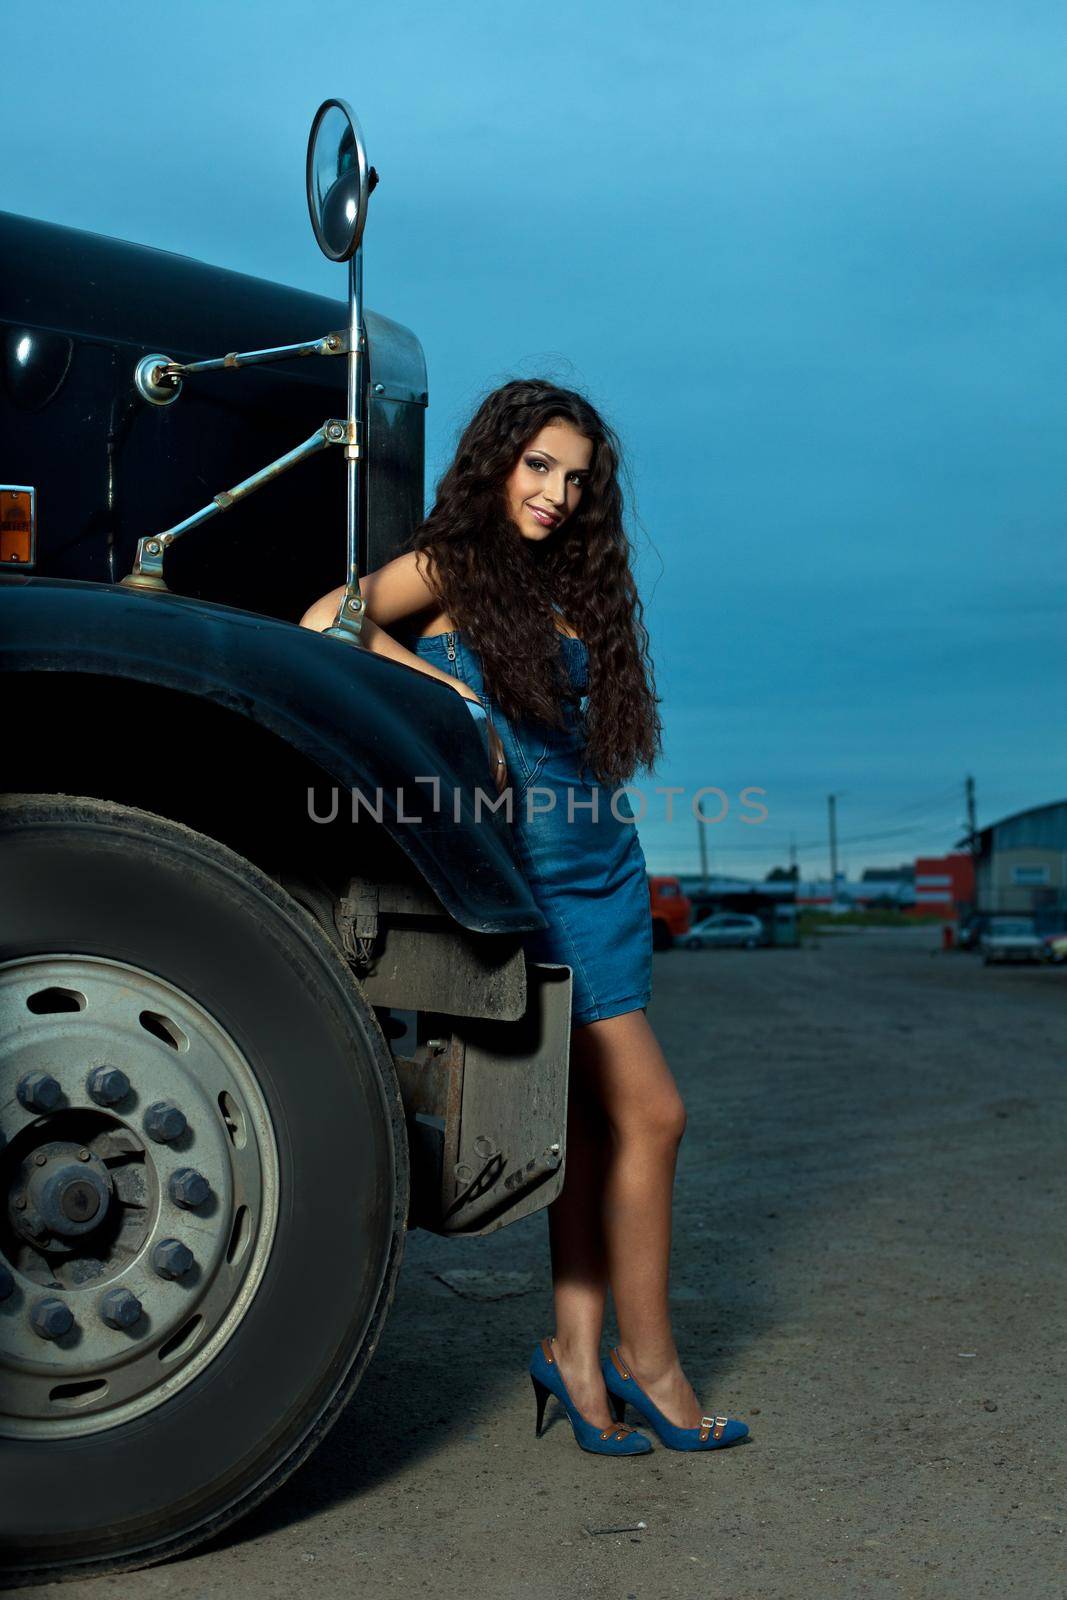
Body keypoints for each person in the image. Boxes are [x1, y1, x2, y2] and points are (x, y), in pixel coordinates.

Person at [300, 378, 748, 1457]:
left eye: (576, 477)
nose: (556, 492)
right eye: (538, 465)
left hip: (605, 864)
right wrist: (449, 698)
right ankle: (655, 1369)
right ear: (498, 460)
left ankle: (574, 1357)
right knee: (655, 1115)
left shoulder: (560, 583)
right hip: (538, 877)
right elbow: (326, 618)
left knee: (590, 1130)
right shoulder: (458, 561)